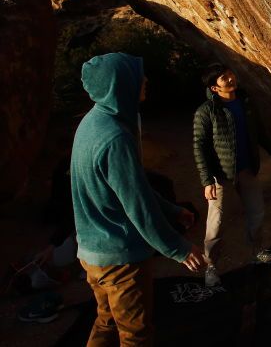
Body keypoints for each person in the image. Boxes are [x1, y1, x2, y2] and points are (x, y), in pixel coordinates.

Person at [71, 53, 205, 346]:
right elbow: (138, 207)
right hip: (120, 258)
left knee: (106, 323)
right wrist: (179, 249)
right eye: (138, 75)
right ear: (120, 84)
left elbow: (133, 187)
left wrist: (172, 210)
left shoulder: (92, 122)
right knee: (136, 337)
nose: (145, 80)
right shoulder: (115, 137)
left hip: (92, 254)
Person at [193, 63, 271, 287]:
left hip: (247, 170)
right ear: (214, 88)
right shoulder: (206, 112)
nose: (230, 79)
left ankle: (257, 253)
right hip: (220, 175)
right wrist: (207, 180)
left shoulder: (245, 104)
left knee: (257, 213)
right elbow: (199, 146)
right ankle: (211, 267)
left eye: (230, 74)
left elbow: (259, 133)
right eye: (223, 78)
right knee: (215, 225)